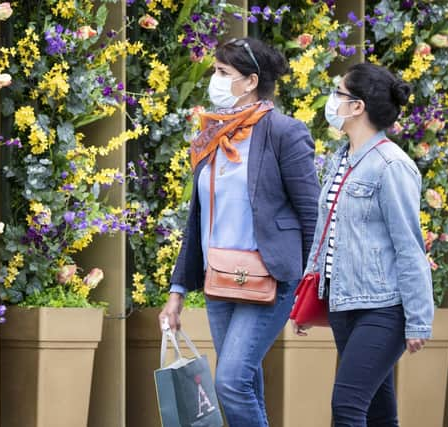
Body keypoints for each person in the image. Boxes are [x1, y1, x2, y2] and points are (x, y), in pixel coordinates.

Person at [158, 37, 320, 427]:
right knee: (244, 381)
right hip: (220, 280)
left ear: (249, 82)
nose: (213, 80)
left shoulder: (284, 132)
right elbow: (200, 220)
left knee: (230, 382)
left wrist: (311, 289)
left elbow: (312, 213)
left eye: (222, 73)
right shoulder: (212, 135)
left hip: (271, 278)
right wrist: (177, 292)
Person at [292, 62, 434, 426]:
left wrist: (419, 319)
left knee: (347, 405)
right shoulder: (342, 159)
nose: (332, 101)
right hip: (344, 303)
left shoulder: (391, 166)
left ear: (358, 106)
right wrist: (306, 298)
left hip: (384, 307)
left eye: (338, 93)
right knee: (378, 413)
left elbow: (409, 245)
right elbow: (325, 232)